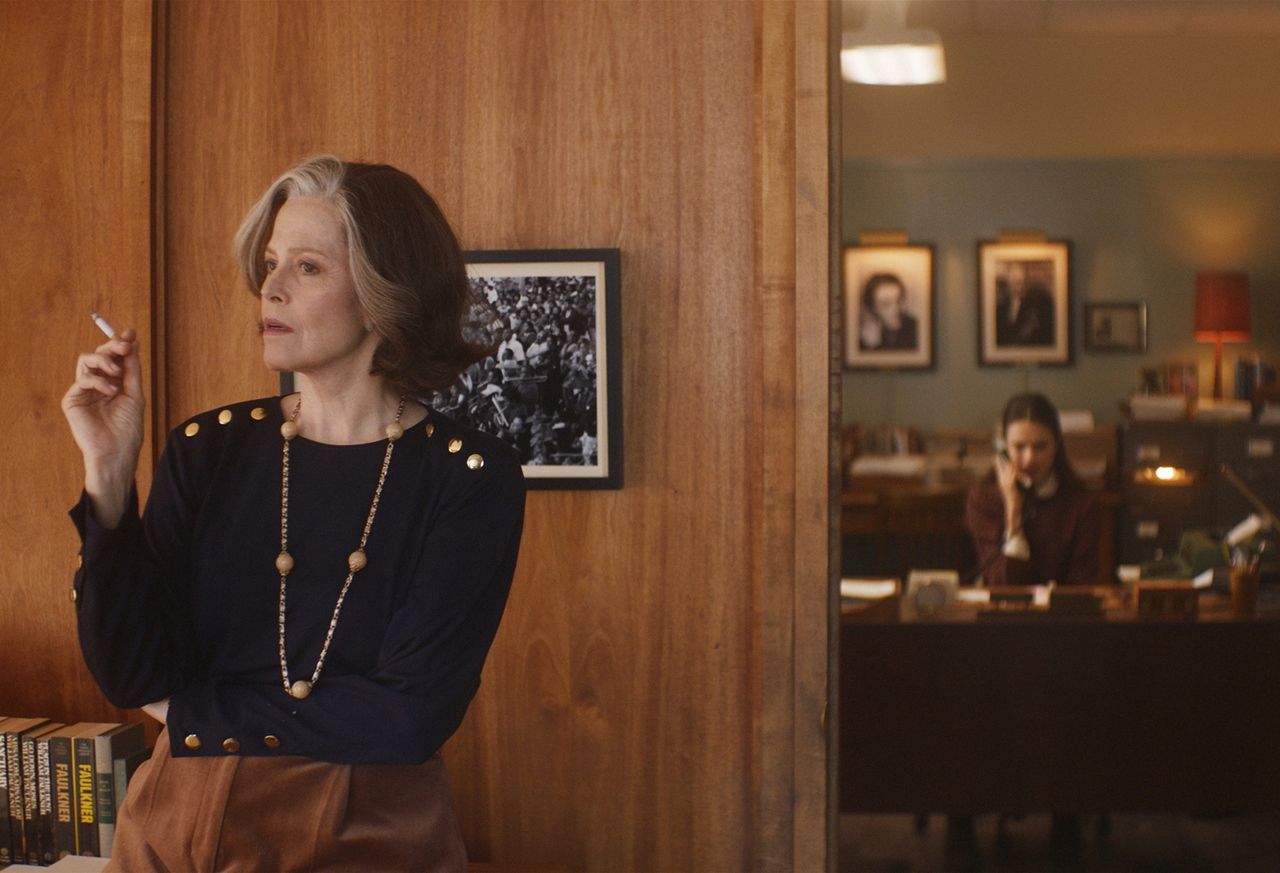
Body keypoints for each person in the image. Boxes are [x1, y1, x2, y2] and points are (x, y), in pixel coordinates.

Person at [62, 156, 526, 871]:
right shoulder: (208, 447)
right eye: (271, 262)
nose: (270, 288)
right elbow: (131, 674)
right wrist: (109, 475)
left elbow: (409, 716)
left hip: (366, 833)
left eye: (307, 267)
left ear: (383, 293)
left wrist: (192, 714)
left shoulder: (467, 477)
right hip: (168, 823)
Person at [965, 392, 1101, 588]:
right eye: (1019, 447)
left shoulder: (1081, 504)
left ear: (1056, 445)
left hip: (1060, 607)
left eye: (1040, 447)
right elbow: (1003, 584)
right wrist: (1013, 511)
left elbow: (1082, 584)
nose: (1029, 459)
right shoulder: (983, 500)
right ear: (1004, 448)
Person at [994, 260, 1055, 347]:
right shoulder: (1000, 307)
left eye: (1019, 282)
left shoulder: (1034, 306)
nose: (1016, 286)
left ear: (1024, 282)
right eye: (1013, 282)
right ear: (1008, 283)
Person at [858, 272, 919, 351]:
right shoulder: (863, 336)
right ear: (873, 308)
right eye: (886, 304)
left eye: (899, 300)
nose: (896, 309)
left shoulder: (915, 327)